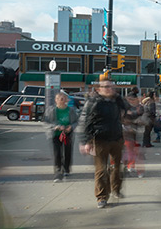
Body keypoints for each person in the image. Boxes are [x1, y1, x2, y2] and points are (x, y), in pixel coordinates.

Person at [77, 76, 127, 209]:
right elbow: (84, 121)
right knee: (101, 170)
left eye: (111, 86)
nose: (109, 89)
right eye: (106, 87)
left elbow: (127, 111)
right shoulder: (93, 102)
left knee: (117, 167)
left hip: (116, 138)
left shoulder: (117, 100)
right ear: (99, 89)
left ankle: (116, 189)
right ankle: (102, 197)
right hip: (99, 140)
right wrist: (85, 141)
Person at [44, 92, 79, 182]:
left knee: (67, 152)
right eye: (60, 99)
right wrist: (55, 127)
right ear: (56, 100)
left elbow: (76, 121)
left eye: (64, 99)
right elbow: (46, 122)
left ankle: (66, 169)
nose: (62, 101)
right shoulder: (51, 110)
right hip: (56, 134)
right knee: (57, 153)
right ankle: (58, 171)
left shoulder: (71, 110)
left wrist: (71, 127)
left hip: (67, 134)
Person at [122, 93, 143, 176]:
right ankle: (129, 166)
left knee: (131, 151)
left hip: (131, 133)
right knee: (129, 150)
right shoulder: (127, 109)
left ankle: (130, 166)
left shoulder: (137, 108)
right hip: (127, 133)